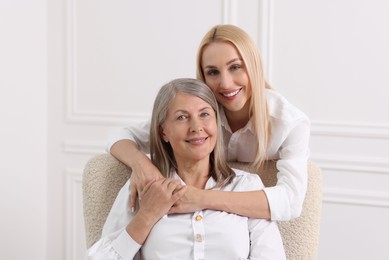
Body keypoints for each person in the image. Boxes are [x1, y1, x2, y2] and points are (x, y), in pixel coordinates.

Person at [107, 24, 310, 221]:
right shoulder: (200, 114)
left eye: (235, 67)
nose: (226, 83)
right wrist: (142, 165)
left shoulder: (289, 123)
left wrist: (199, 198)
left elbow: (291, 201)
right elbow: (120, 135)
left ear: (254, 66)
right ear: (203, 77)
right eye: (213, 72)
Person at [86, 78, 286, 259]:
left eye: (205, 114)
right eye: (182, 117)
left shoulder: (246, 186)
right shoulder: (143, 186)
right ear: (163, 131)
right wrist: (147, 216)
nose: (196, 127)